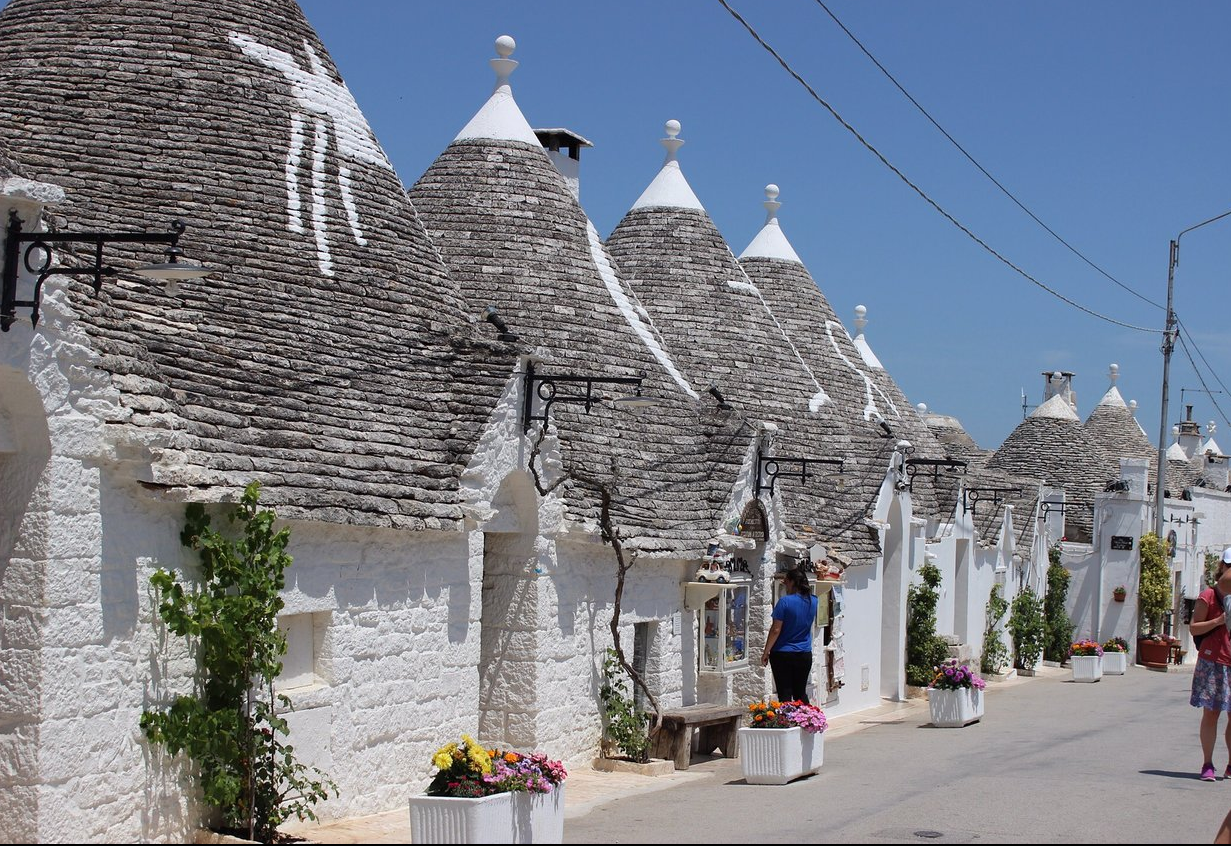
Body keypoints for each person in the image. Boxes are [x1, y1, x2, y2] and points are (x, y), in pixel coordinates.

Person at [1191, 548, 1231, 781]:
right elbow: (1194, 627)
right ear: (1222, 566)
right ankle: (1207, 763)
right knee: (1212, 713)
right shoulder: (1208, 596)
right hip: (1213, 660)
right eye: (1228, 564)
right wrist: (1218, 621)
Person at [761, 566, 818, 704]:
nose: (785, 585)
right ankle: (806, 722)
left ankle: (787, 723)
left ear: (792, 582)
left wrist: (766, 651)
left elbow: (776, 630)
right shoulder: (814, 600)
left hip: (783, 653)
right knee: (800, 693)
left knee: (785, 694)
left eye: (786, 581)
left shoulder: (785, 602)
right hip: (804, 653)